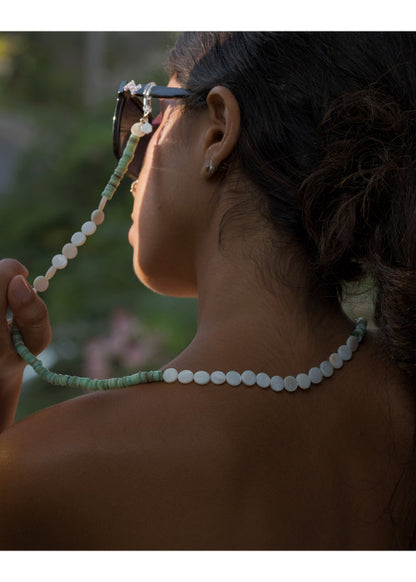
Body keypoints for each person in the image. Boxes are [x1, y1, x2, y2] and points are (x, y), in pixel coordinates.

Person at [0, 31, 415, 550]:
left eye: (146, 114)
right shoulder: (403, 401)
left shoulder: (43, 470)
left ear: (218, 130)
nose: (133, 166)